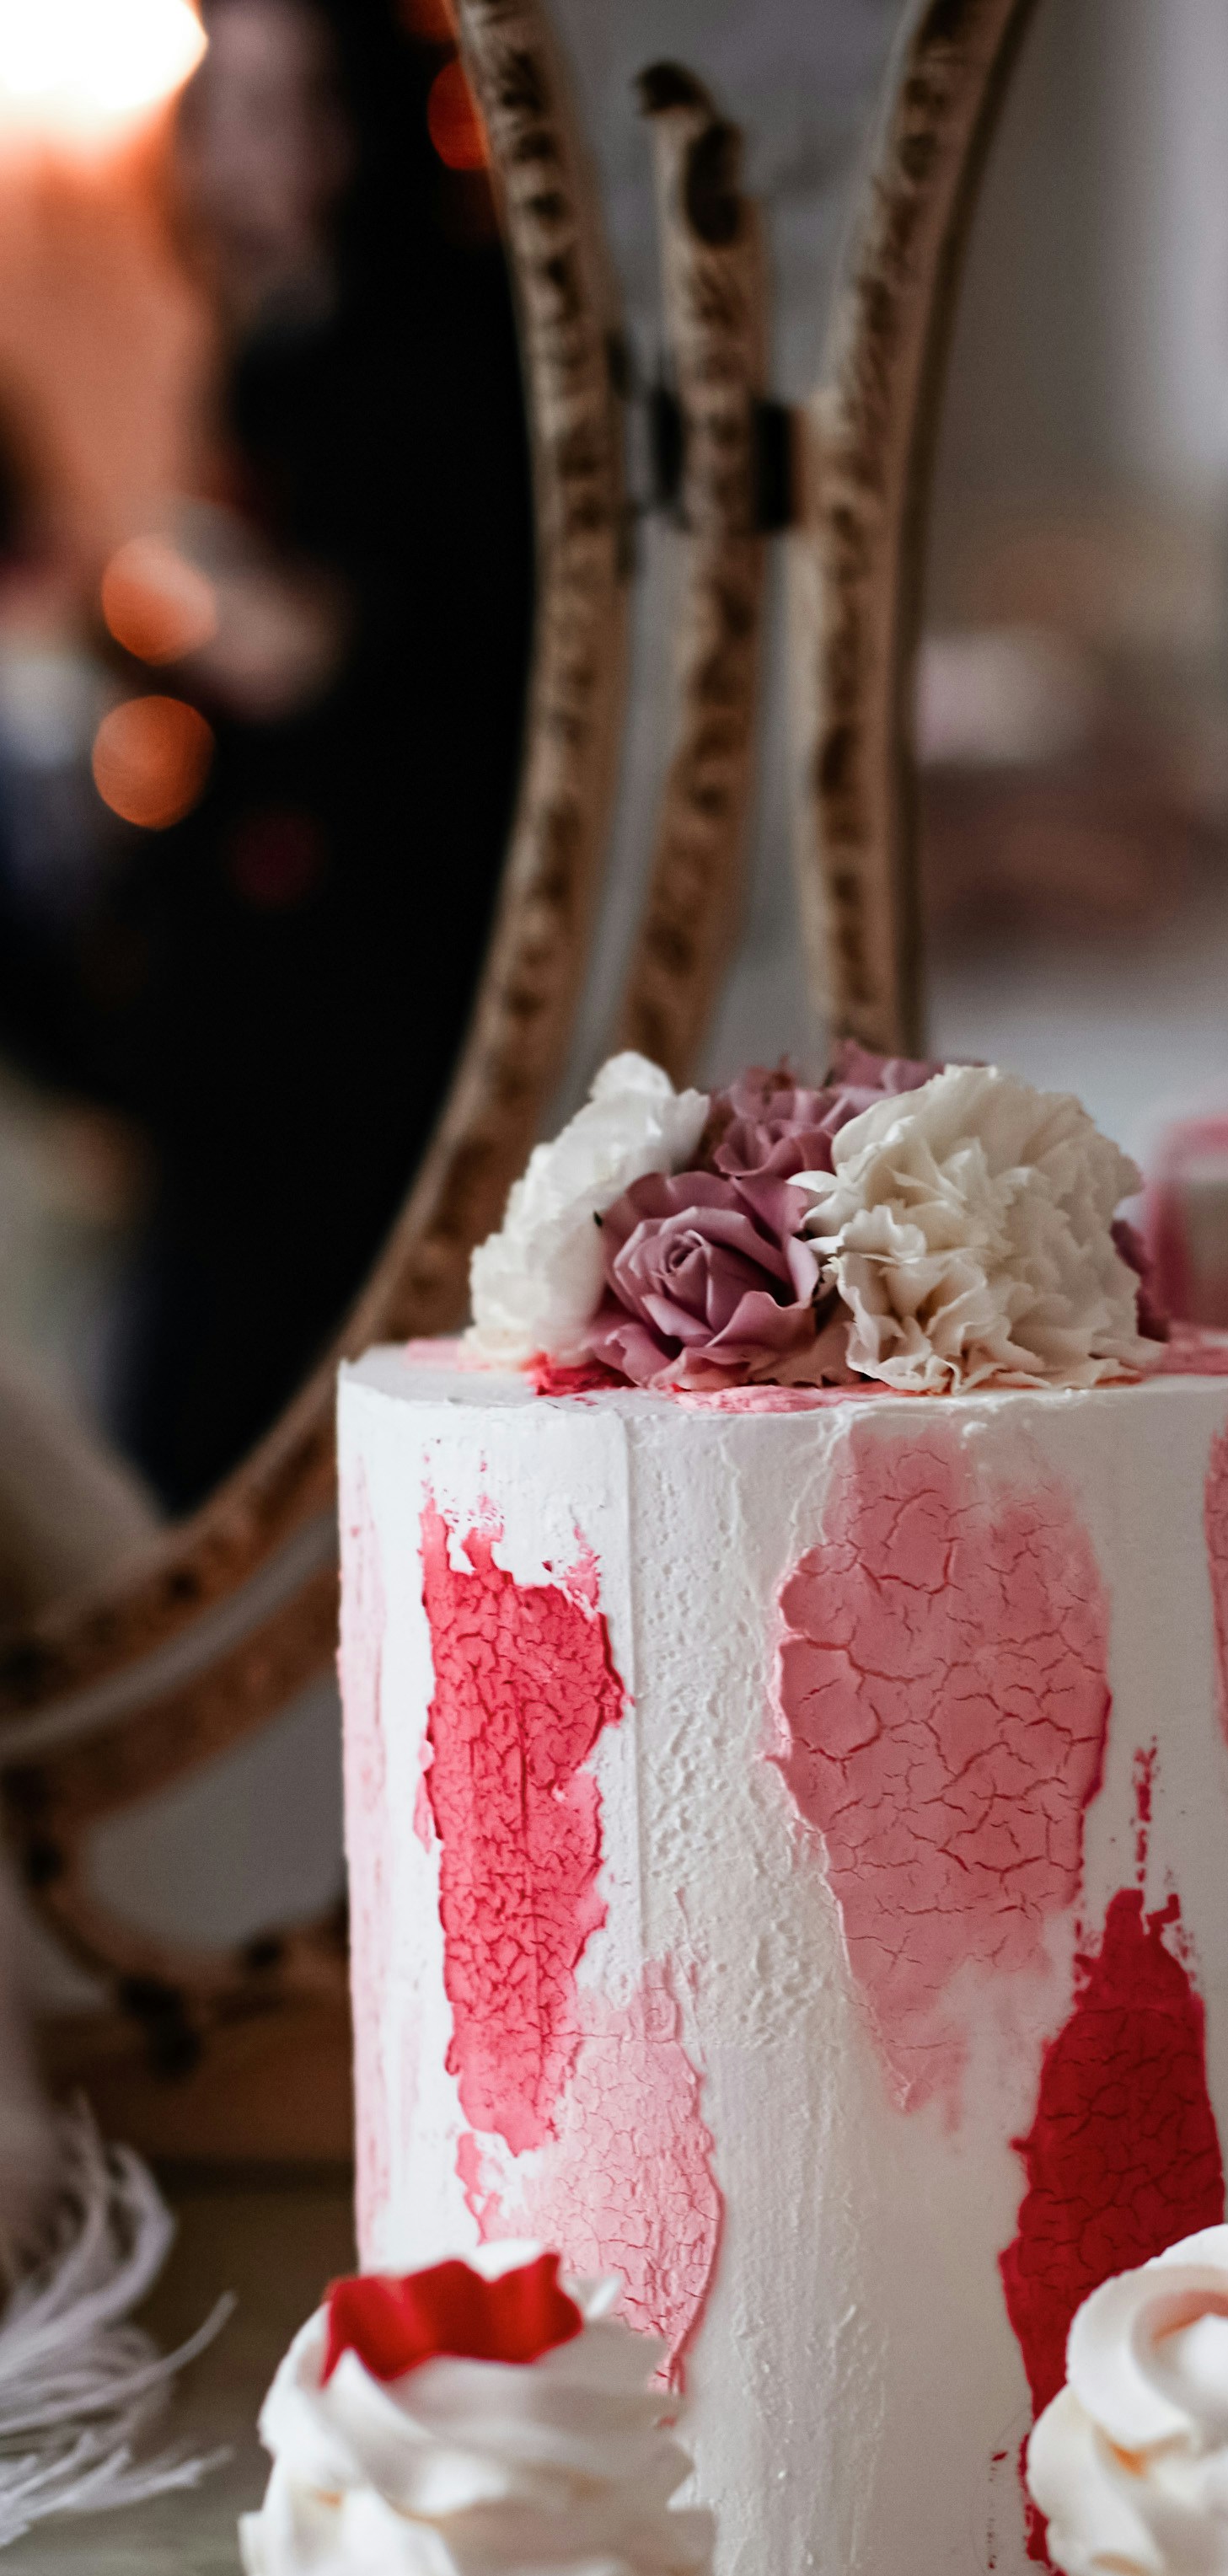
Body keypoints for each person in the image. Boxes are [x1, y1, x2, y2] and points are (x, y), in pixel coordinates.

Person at [95, 0, 533, 1511]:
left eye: (299, 108)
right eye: (240, 107)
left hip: (391, 931)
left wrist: (211, 600)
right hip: (257, 942)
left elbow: (396, 648)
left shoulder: (449, 336)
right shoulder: (265, 337)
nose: (266, 151)